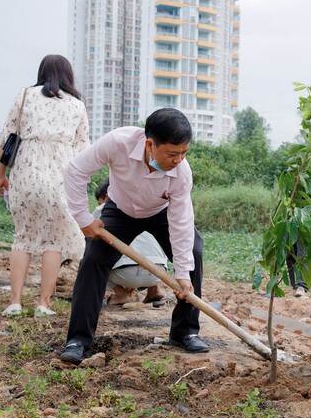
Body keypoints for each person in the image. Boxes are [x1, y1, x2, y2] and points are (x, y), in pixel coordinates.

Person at [60, 107, 208, 364]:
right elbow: (76, 171)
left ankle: (185, 331)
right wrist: (84, 219)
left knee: (193, 252)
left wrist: (182, 274)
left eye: (184, 152)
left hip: (160, 212)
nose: (179, 160)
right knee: (94, 259)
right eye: (172, 153)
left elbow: (181, 223)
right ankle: (79, 340)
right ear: (149, 144)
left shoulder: (182, 173)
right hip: (121, 210)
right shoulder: (117, 142)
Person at [0, 55, 89, 318]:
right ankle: (43, 303)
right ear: (68, 76)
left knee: (22, 237)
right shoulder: (76, 106)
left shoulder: (25, 95)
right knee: (54, 240)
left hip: (25, 172)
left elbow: (5, 139)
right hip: (61, 173)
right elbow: (82, 149)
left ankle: (14, 302)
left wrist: (1, 176)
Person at [92, 179, 168, 306]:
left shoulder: (103, 210)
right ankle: (154, 289)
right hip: (159, 272)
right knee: (151, 245)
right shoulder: (151, 206)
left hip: (125, 273)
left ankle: (120, 293)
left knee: (94, 256)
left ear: (107, 196)